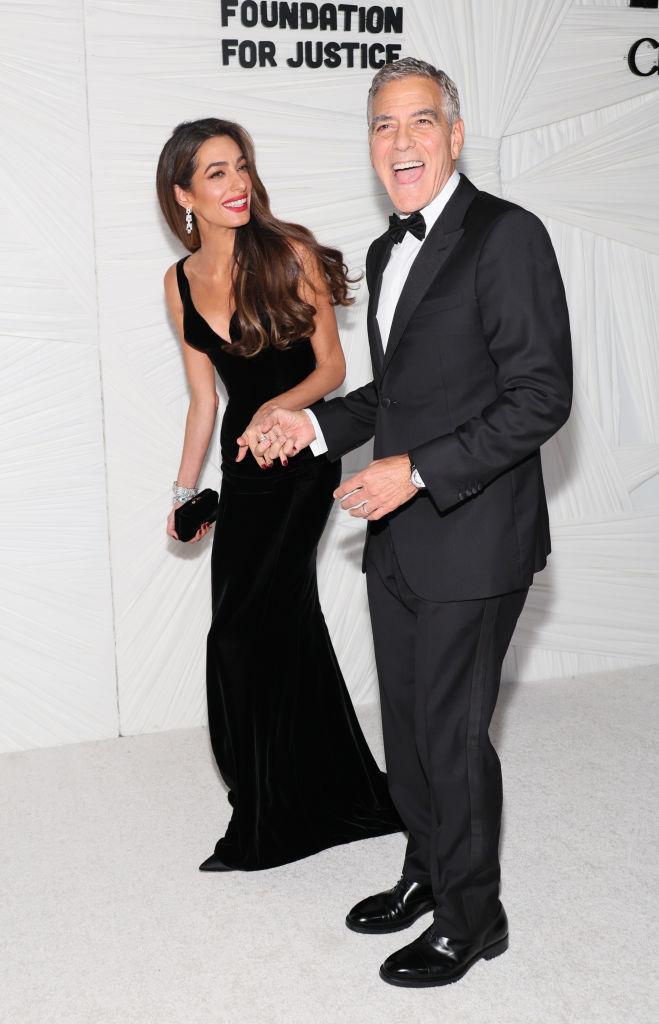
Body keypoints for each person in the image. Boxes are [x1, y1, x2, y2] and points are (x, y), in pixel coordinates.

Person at [257, 58, 573, 986]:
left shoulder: (507, 235)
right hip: (397, 535)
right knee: (405, 725)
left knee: (450, 733)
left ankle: (472, 919)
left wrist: (417, 471)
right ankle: (427, 872)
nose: (399, 142)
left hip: (475, 536)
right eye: (382, 125)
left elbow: (539, 396)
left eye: (419, 122)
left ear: (454, 134)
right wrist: (312, 424)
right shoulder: (383, 251)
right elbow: (396, 397)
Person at [156, 117, 401, 872]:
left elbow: (332, 369)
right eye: (217, 173)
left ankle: (268, 812)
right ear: (184, 195)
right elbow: (204, 400)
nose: (237, 185)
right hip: (241, 469)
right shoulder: (177, 283)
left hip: (300, 456)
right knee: (269, 624)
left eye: (241, 167)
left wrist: (277, 411)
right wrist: (184, 489)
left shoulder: (290, 251)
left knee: (248, 629)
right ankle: (312, 792)